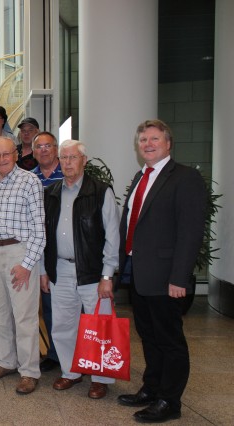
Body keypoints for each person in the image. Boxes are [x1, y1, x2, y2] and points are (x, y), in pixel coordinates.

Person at [117, 119, 206, 423]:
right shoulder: (142, 176)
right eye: (143, 140)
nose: (148, 144)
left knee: (170, 340)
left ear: (168, 143)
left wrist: (179, 277)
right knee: (149, 335)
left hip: (167, 276)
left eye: (154, 139)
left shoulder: (185, 178)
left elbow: (190, 232)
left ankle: (170, 401)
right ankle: (151, 388)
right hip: (139, 272)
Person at [41, 139, 120, 400]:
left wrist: (107, 275)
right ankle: (70, 371)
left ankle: (100, 378)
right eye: (63, 158)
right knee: (63, 325)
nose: (67, 163)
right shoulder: (51, 193)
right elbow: (44, 237)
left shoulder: (100, 192)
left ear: (84, 161)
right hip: (60, 271)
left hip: (92, 273)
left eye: (72, 157)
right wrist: (44, 270)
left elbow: (112, 236)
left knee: (99, 328)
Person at [0, 137, 46, 395]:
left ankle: (28, 371)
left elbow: (39, 230)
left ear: (15, 155)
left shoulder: (30, 182)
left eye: (6, 154)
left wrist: (27, 265)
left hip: (19, 252)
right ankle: (5, 360)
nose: (1, 159)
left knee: (24, 316)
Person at [29, 131, 64, 373]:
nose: (43, 150)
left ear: (56, 149)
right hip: (42, 250)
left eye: (48, 146)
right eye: (38, 147)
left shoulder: (71, 174)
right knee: (49, 305)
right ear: (33, 152)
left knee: (74, 309)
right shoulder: (30, 179)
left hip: (70, 249)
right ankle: (54, 354)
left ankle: (77, 354)